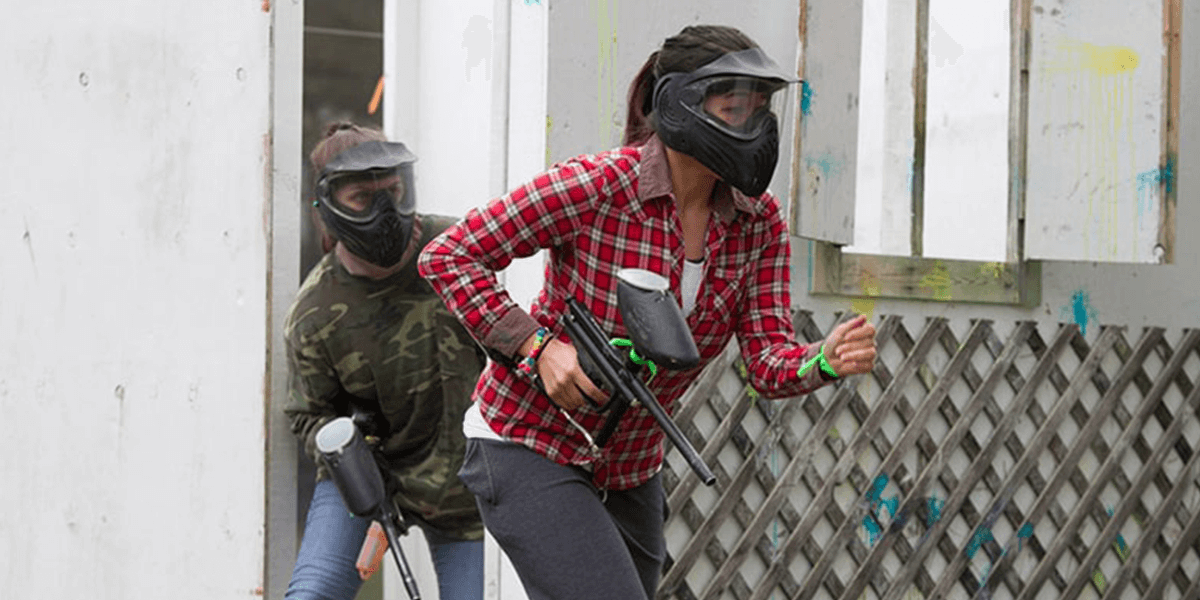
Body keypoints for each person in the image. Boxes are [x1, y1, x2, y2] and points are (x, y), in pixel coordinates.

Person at [418, 25, 878, 600]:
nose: (756, 128)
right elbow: (450, 255)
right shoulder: (598, 186)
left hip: (630, 467)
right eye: (736, 108)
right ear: (679, 104)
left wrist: (824, 361)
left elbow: (766, 361)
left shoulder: (759, 223)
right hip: (526, 443)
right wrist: (537, 348)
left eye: (763, 110)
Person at [283, 122, 486, 600]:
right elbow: (307, 415)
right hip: (374, 470)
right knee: (313, 593)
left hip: (468, 479)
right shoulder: (314, 314)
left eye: (392, 191)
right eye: (363, 198)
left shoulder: (455, 249)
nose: (385, 211)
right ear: (330, 205)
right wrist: (355, 456)